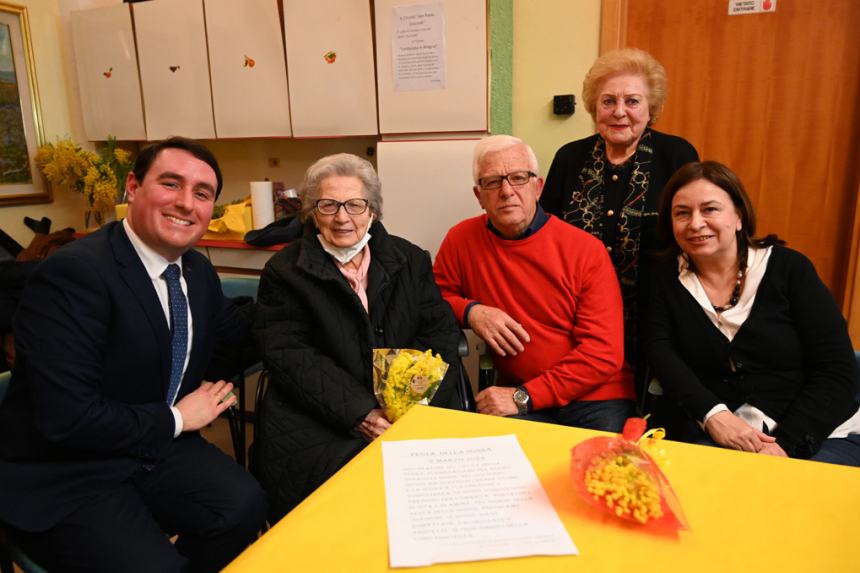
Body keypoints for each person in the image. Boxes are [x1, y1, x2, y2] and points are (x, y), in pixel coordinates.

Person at [0, 137, 268, 572]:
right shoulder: (73, 275)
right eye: (171, 184)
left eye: (202, 194)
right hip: (67, 470)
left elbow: (231, 342)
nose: (185, 203)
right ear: (133, 186)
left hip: (150, 447)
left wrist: (307, 292)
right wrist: (180, 419)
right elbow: (66, 419)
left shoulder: (195, 271)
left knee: (243, 507)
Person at [253, 153, 464, 522]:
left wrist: (410, 405)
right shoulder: (284, 271)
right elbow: (289, 354)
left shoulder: (410, 259)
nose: (342, 217)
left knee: (441, 488)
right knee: (344, 497)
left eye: (354, 204)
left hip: (410, 405)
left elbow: (439, 334)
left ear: (373, 211)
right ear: (311, 212)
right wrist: (361, 414)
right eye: (328, 205)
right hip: (322, 410)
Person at [646, 161, 860, 466]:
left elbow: (837, 371)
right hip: (719, 432)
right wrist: (713, 415)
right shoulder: (667, 277)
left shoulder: (790, 269)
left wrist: (785, 445)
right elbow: (662, 353)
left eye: (710, 209)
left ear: (738, 217)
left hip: (817, 432)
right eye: (682, 213)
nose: (695, 223)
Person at [433, 135, 635, 430]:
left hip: (595, 400)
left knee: (595, 473)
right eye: (492, 182)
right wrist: (472, 311)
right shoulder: (461, 240)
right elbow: (430, 300)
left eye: (518, 178)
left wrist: (524, 396)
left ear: (537, 187)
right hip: (519, 396)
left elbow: (603, 354)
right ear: (479, 196)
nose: (506, 191)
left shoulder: (584, 250)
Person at [541, 48, 699, 397]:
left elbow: (693, 234)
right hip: (576, 317)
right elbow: (545, 234)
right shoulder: (569, 157)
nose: (619, 112)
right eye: (608, 101)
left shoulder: (677, 155)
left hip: (654, 315)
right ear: (595, 108)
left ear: (651, 109)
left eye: (632, 101)